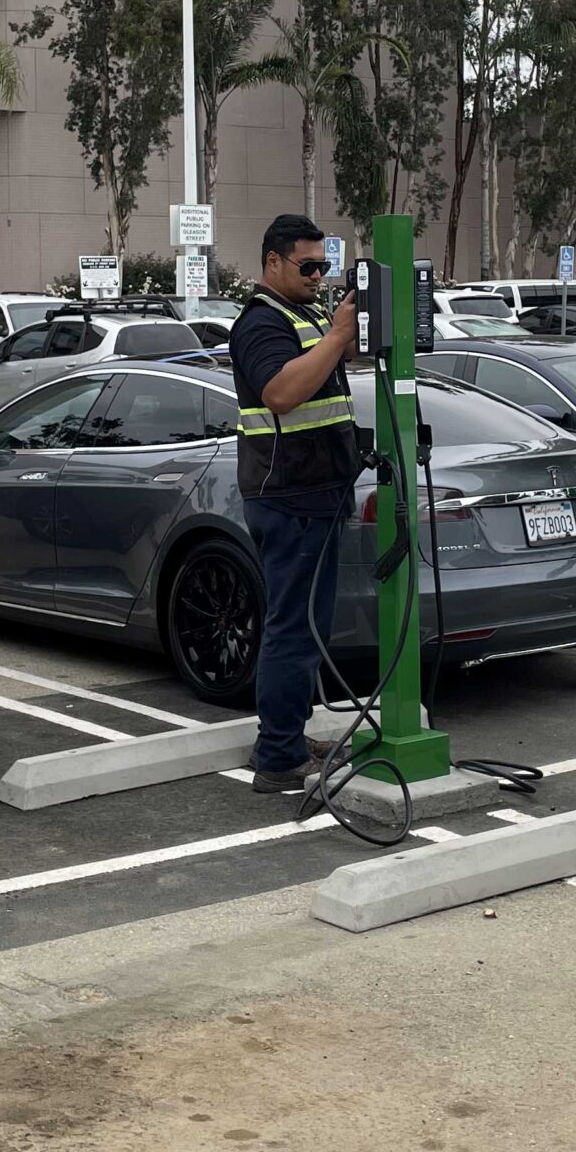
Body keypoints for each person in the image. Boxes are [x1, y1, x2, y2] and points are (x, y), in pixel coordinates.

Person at [227, 213, 363, 792]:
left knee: (308, 625)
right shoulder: (260, 324)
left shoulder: (303, 316)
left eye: (323, 265)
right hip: (290, 496)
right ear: (272, 263)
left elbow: (327, 374)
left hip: (317, 493)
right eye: (307, 266)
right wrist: (335, 336)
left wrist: (349, 332)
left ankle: (286, 733)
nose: (317, 275)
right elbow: (281, 392)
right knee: (293, 628)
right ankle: (279, 758)